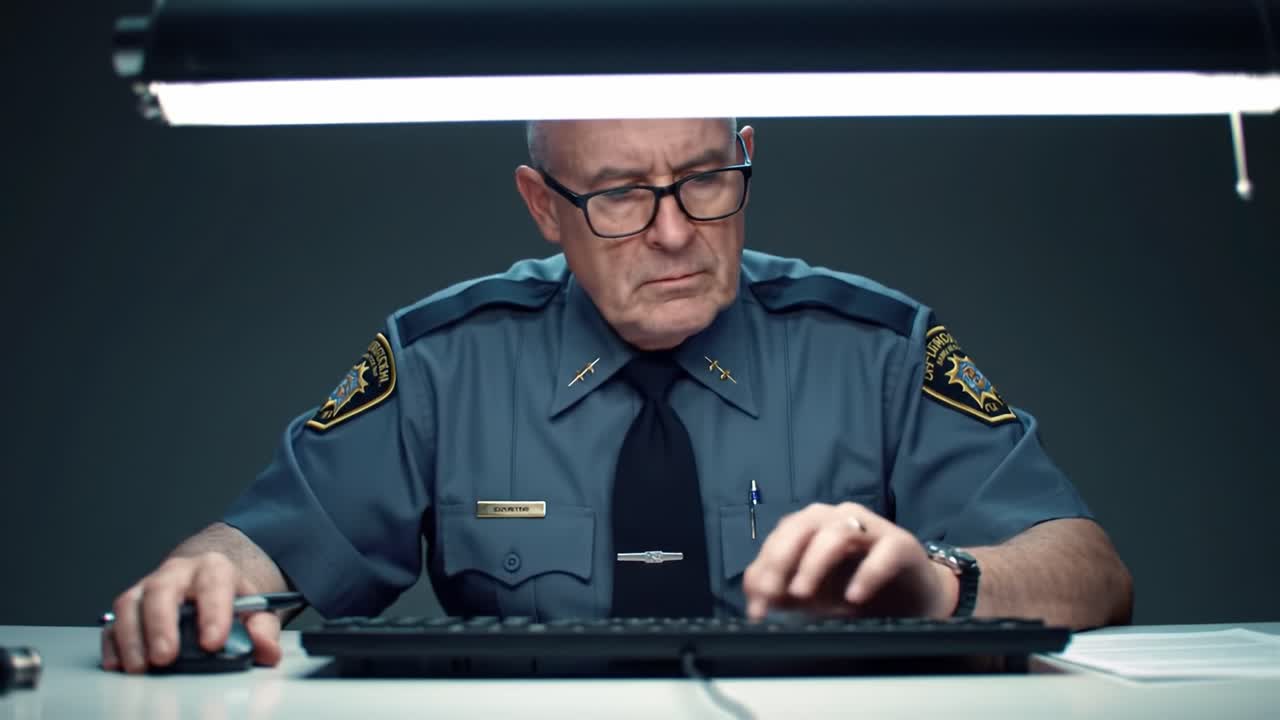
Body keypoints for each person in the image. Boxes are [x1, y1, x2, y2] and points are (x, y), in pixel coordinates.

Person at [101, 118, 1132, 673]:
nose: (675, 230)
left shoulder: (874, 346)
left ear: (746, 158)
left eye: (703, 178)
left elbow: (1087, 571)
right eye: (619, 196)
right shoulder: (442, 360)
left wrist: (936, 587)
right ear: (542, 206)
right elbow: (267, 548)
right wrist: (197, 579)